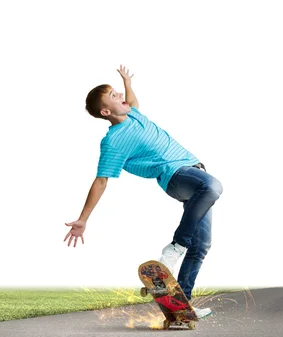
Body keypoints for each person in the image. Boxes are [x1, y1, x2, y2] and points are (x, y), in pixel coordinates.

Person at [64, 65, 223, 319]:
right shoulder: (113, 140)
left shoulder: (133, 115)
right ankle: (175, 247)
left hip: (194, 175)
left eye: (119, 93)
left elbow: (133, 101)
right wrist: (83, 219)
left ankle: (181, 307)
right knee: (213, 186)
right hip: (176, 175)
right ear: (106, 111)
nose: (121, 97)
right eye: (114, 97)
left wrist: (126, 82)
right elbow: (101, 181)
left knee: (202, 243)